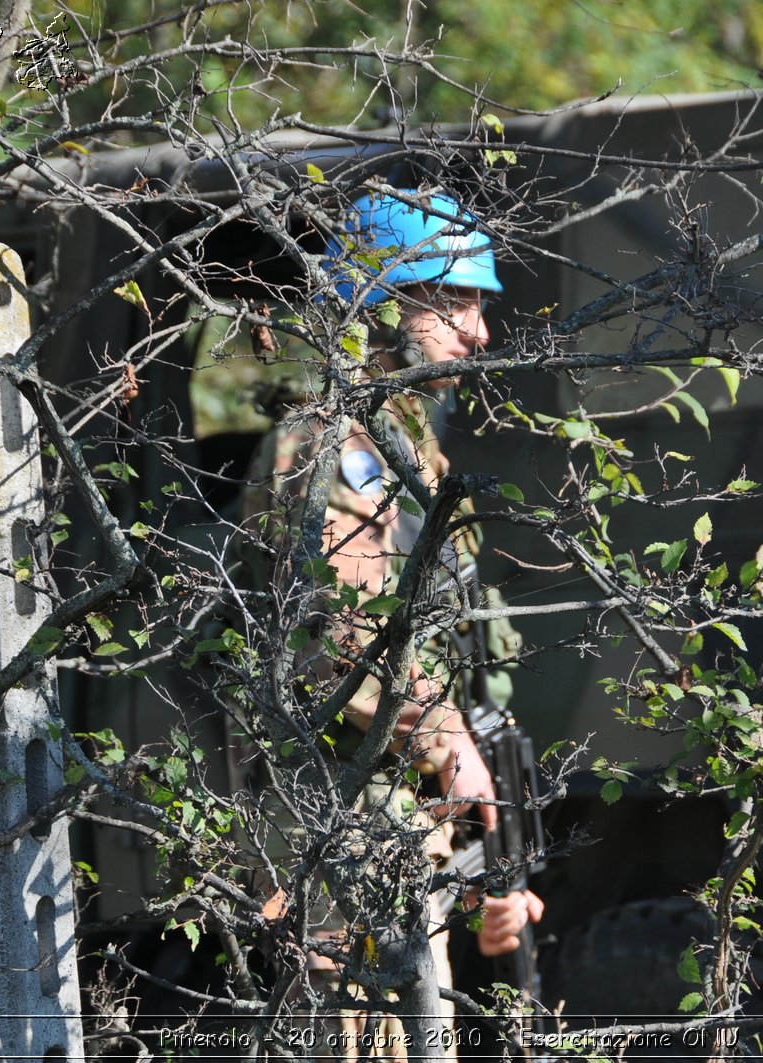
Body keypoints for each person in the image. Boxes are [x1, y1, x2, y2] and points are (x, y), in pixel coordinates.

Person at [237, 188, 543, 1054]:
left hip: (400, 831)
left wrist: (495, 864)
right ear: (378, 304)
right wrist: (452, 746)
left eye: (480, 301)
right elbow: (342, 639)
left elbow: (450, 656)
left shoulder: (414, 451)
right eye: (453, 300)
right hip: (339, 830)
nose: (478, 331)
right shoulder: (336, 448)